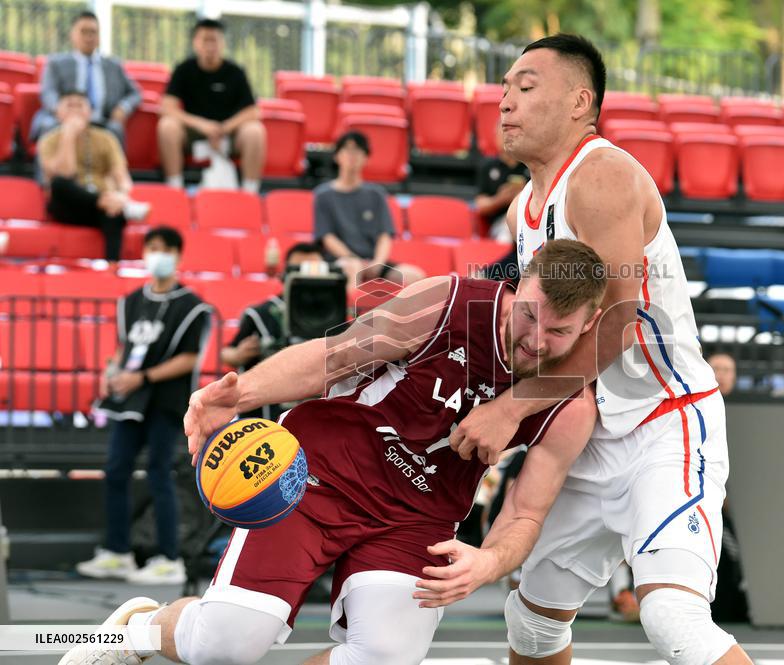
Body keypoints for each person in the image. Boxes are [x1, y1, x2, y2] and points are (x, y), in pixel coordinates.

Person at [59, 239, 603, 665]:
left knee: (387, 655)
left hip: (415, 520)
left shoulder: (572, 408)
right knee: (226, 645)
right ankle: (138, 628)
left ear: (590, 327)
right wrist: (240, 393)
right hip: (319, 475)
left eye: (558, 332)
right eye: (528, 314)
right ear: (519, 285)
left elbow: (525, 512)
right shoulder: (447, 302)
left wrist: (488, 561)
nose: (535, 338)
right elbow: (333, 358)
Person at [441, 34, 751, 665]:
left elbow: (617, 321)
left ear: (581, 101)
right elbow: (542, 337)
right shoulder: (521, 212)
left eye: (525, 88)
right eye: (504, 89)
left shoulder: (602, 175)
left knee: (672, 619)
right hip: (585, 431)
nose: (505, 103)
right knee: (530, 625)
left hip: (664, 423)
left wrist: (511, 409)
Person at [78, 227, 212, 585]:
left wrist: (145, 377)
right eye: (151, 248)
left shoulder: (192, 306)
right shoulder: (131, 300)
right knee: (116, 469)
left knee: (158, 473)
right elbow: (123, 348)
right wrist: (111, 372)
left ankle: (169, 558)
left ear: (178, 255)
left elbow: (189, 358)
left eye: (164, 249)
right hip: (130, 400)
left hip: (165, 400)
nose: (157, 255)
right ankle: (118, 551)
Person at [38, 91, 150, 262]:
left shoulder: (106, 138)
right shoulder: (48, 140)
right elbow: (65, 174)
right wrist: (68, 135)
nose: (75, 110)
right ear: (58, 112)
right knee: (60, 183)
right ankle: (109, 202)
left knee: (114, 213)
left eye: (80, 105)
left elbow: (122, 178)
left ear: (90, 112)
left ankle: (111, 267)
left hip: (99, 207)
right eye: (69, 105)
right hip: (67, 205)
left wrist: (121, 195)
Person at [158, 18, 265, 192]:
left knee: (255, 131)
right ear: (195, 43)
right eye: (204, 40)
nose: (209, 46)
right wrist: (202, 125)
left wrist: (223, 128)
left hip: (229, 134)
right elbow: (166, 107)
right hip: (193, 133)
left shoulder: (235, 72)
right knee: (167, 126)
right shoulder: (184, 69)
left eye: (214, 40)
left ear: (222, 43)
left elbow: (253, 111)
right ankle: (174, 188)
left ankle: (250, 193)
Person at [220, 242, 326, 419]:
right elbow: (227, 353)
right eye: (298, 269)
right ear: (284, 275)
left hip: (316, 413)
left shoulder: (333, 314)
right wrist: (239, 354)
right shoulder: (261, 314)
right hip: (267, 416)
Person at [313, 131, 424, 288]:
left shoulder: (376, 194)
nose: (352, 155)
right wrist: (353, 258)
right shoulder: (323, 195)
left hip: (373, 260)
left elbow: (384, 235)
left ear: (366, 158)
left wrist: (377, 263)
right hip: (342, 260)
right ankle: (353, 312)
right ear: (337, 156)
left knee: (414, 276)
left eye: (358, 151)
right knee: (352, 268)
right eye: (347, 149)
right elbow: (327, 238)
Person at [30, 11, 142, 146]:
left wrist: (123, 107)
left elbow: (135, 92)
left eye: (93, 32)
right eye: (83, 32)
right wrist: (60, 109)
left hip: (102, 121)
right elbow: (48, 92)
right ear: (72, 35)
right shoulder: (56, 63)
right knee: (48, 127)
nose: (89, 37)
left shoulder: (114, 66)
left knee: (116, 130)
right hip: (63, 119)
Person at [475, 121, 529, 241]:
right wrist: (500, 199)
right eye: (502, 134)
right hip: (500, 223)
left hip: (527, 220)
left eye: (511, 134)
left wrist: (522, 196)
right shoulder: (488, 167)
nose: (506, 138)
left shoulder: (530, 165)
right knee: (506, 233)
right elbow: (480, 205)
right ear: (495, 138)